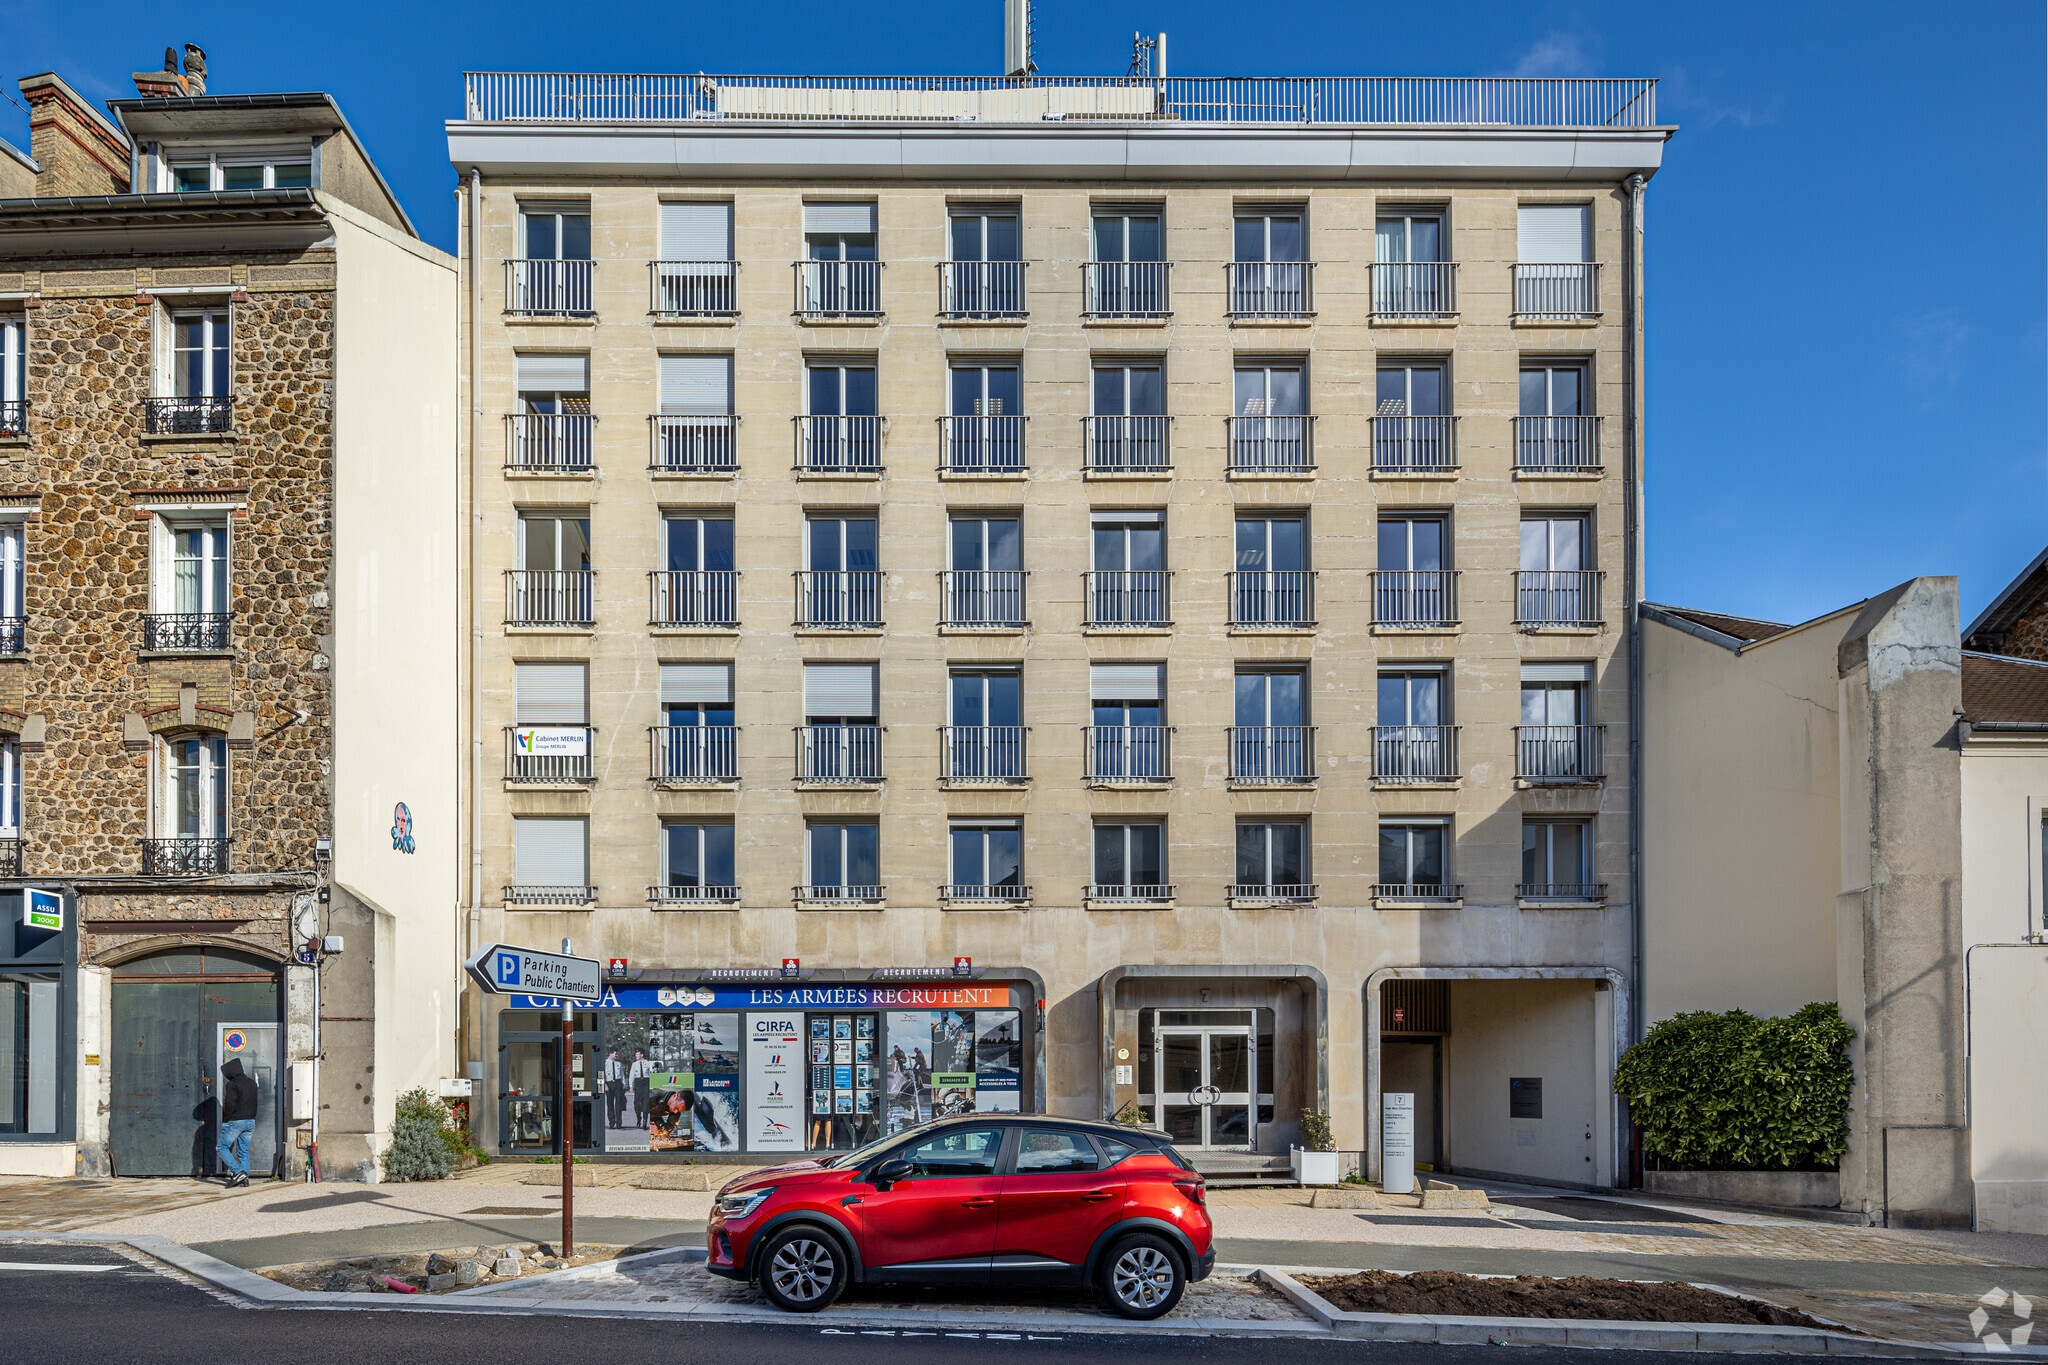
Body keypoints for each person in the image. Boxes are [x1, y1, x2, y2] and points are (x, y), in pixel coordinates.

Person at [216, 1057, 258, 1187]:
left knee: (221, 1147)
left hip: (236, 1121)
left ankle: (238, 1172)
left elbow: (230, 1104)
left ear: (230, 1072)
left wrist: (226, 1120)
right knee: (243, 1151)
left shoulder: (232, 1084)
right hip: (250, 1121)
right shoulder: (252, 1083)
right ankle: (244, 1179)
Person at [630, 1050, 653, 1129]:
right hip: (638, 1083)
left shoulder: (648, 1063)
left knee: (646, 1103)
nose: (636, 1055)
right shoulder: (634, 1064)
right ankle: (639, 1118)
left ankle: (644, 1122)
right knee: (636, 1104)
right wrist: (631, 1086)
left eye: (637, 1054)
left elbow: (652, 1073)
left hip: (646, 1083)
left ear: (642, 1055)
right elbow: (632, 1075)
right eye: (635, 1054)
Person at [603, 1049, 625, 1130]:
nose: (617, 1055)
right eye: (616, 1053)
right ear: (610, 1053)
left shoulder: (618, 1064)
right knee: (610, 1104)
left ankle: (619, 1123)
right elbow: (602, 1075)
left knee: (618, 1104)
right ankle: (612, 1123)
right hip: (609, 1084)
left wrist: (623, 1085)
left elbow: (622, 1075)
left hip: (618, 1084)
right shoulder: (605, 1063)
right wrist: (605, 1085)